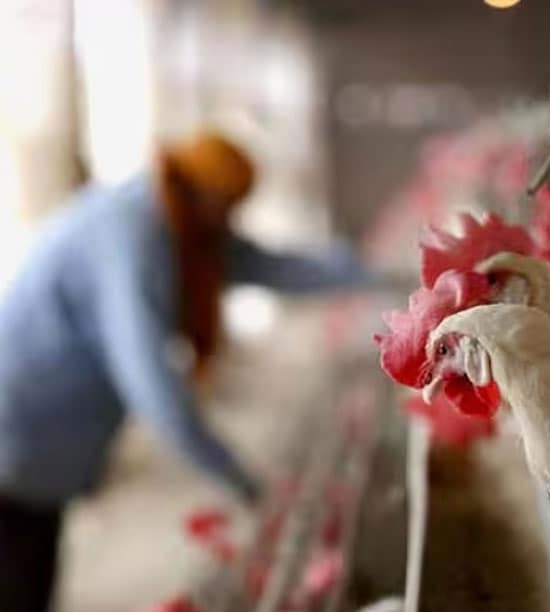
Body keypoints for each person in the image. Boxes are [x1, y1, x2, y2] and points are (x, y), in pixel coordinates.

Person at [0, 131, 373, 612]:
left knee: (34, 564)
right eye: (226, 207)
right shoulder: (133, 235)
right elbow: (151, 385)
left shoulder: (180, 220)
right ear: (205, 194)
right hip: (20, 421)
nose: (228, 222)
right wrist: (242, 481)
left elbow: (266, 266)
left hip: (46, 443)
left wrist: (373, 274)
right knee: (16, 573)